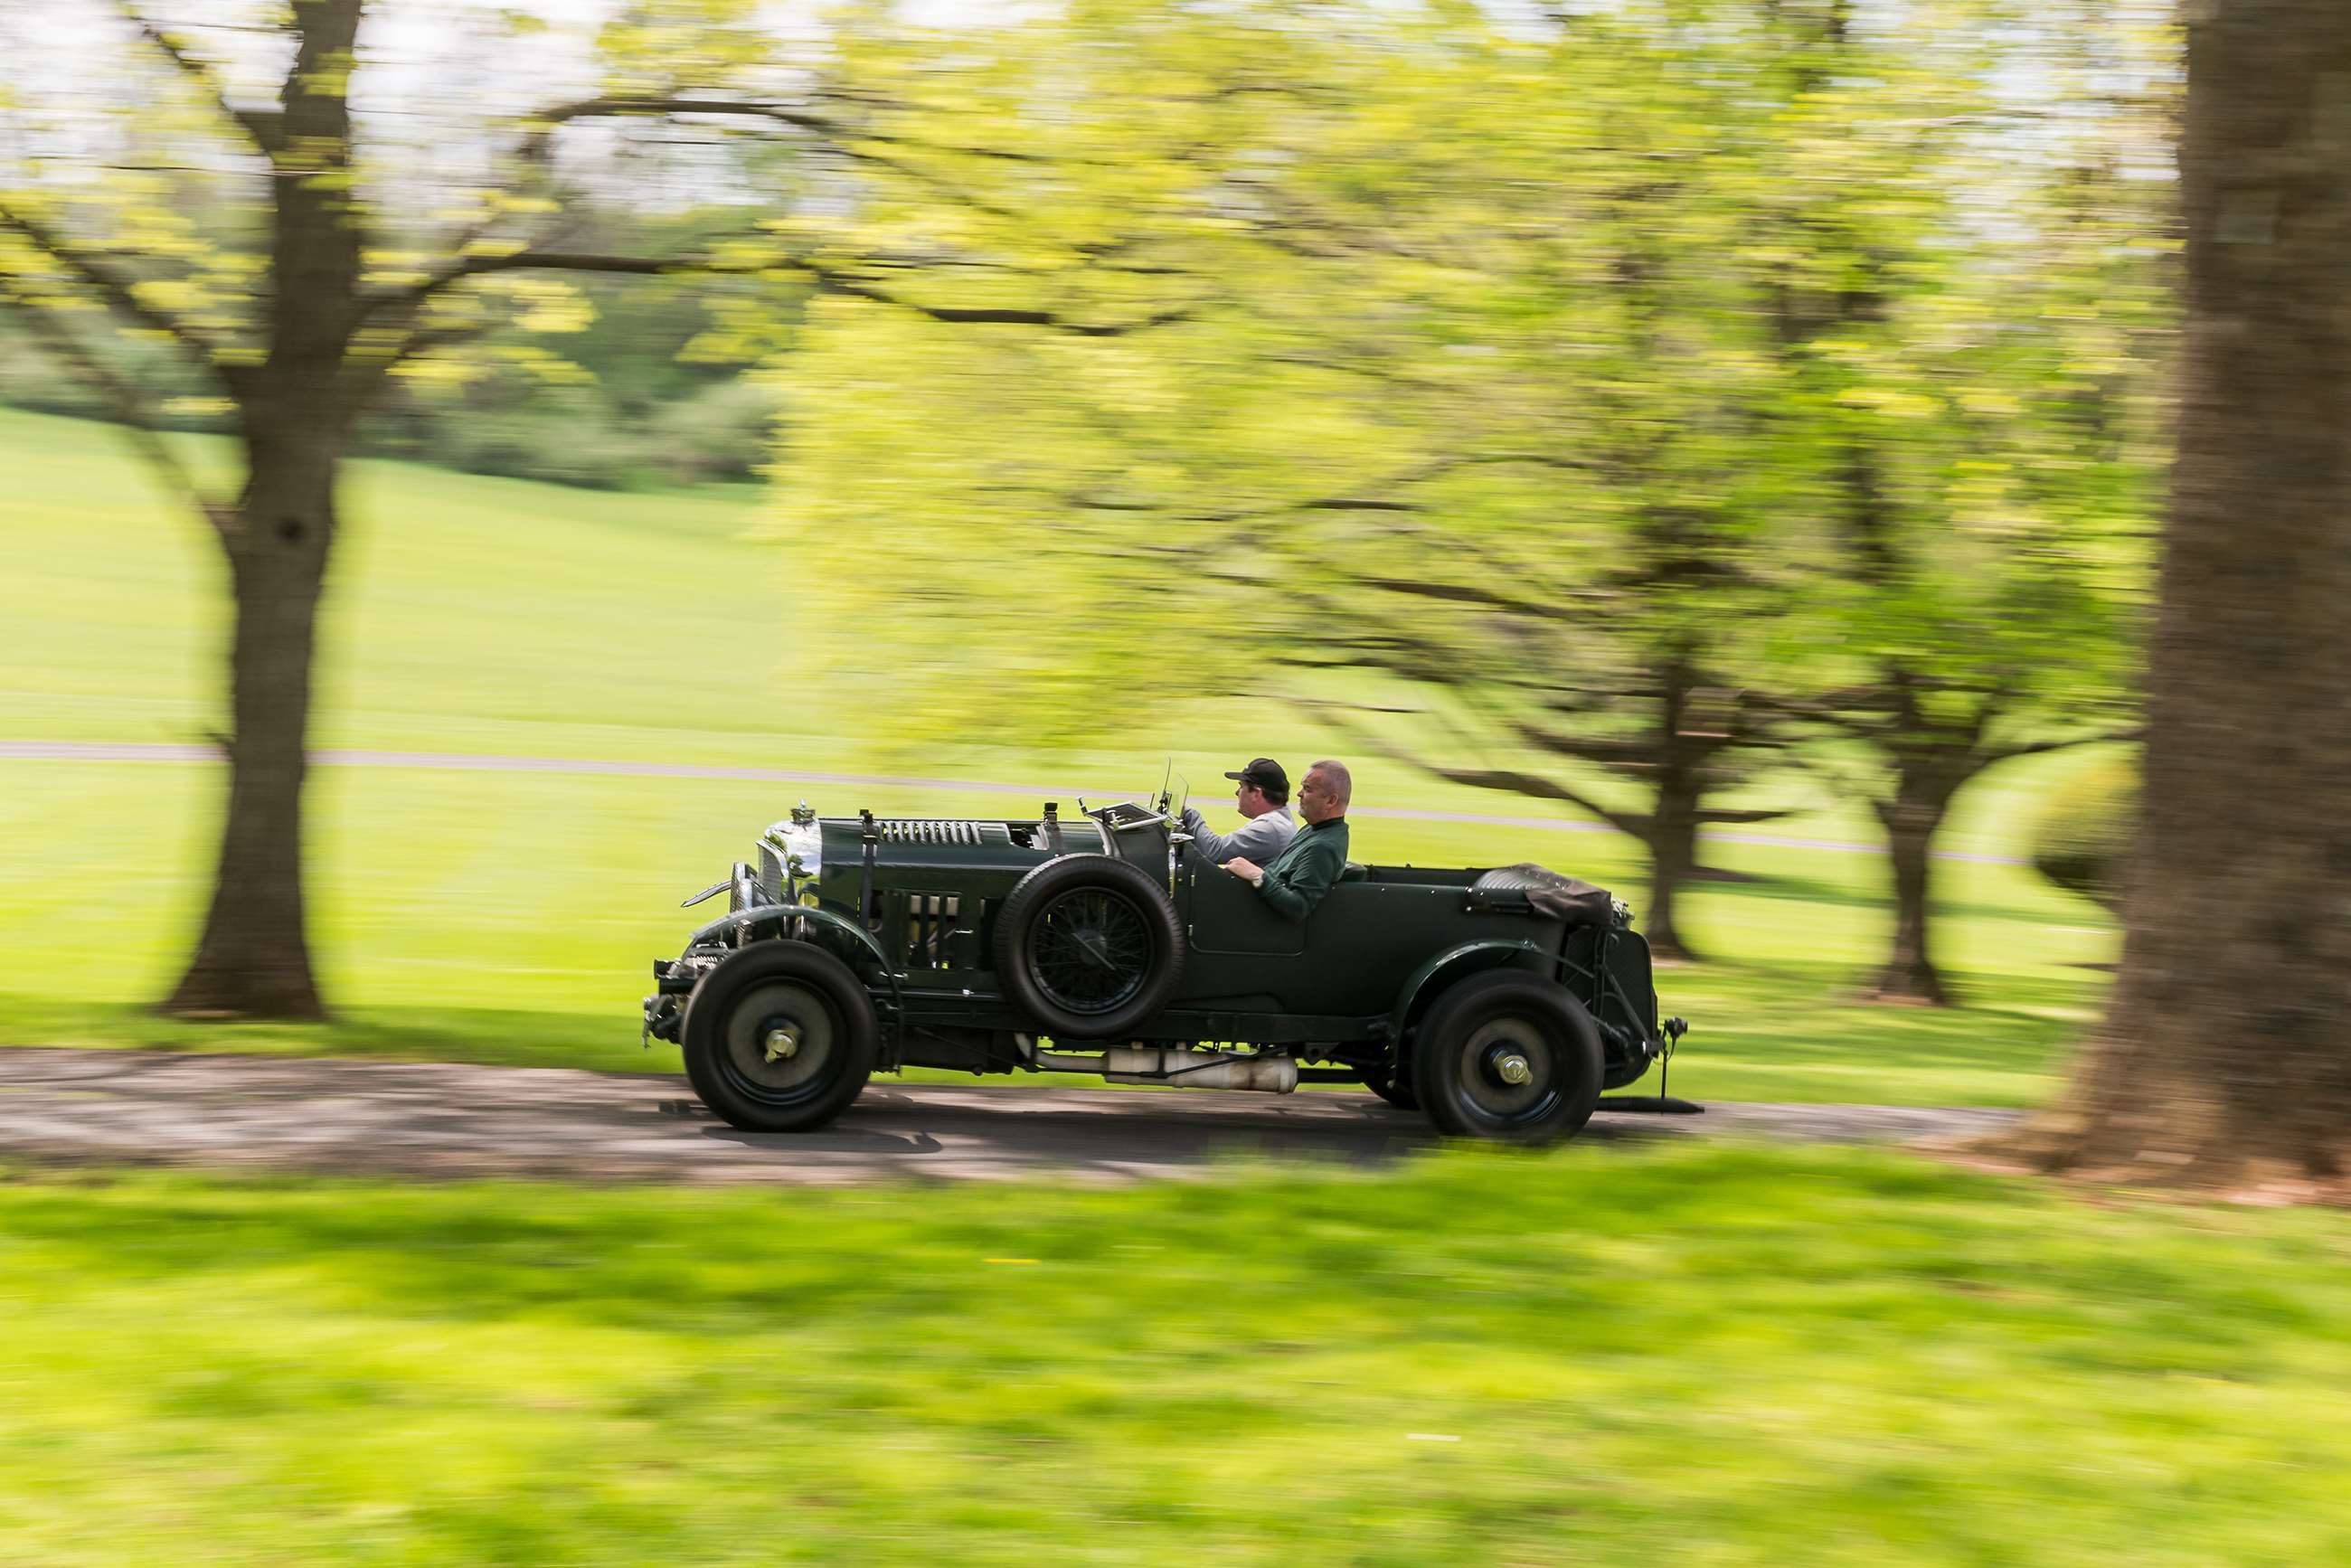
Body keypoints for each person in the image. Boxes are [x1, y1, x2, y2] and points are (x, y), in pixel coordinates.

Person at [1224, 759, 1351, 921]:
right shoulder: (1314, 829)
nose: (1299, 793)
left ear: (1330, 801)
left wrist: (1257, 876)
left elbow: (1299, 906)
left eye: (1307, 789)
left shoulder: (1322, 847)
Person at [1181, 756, 1297, 866]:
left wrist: (1190, 814)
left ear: (1256, 793)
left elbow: (1214, 851)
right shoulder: (1281, 819)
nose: (1237, 792)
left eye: (1241, 786)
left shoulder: (1269, 827)